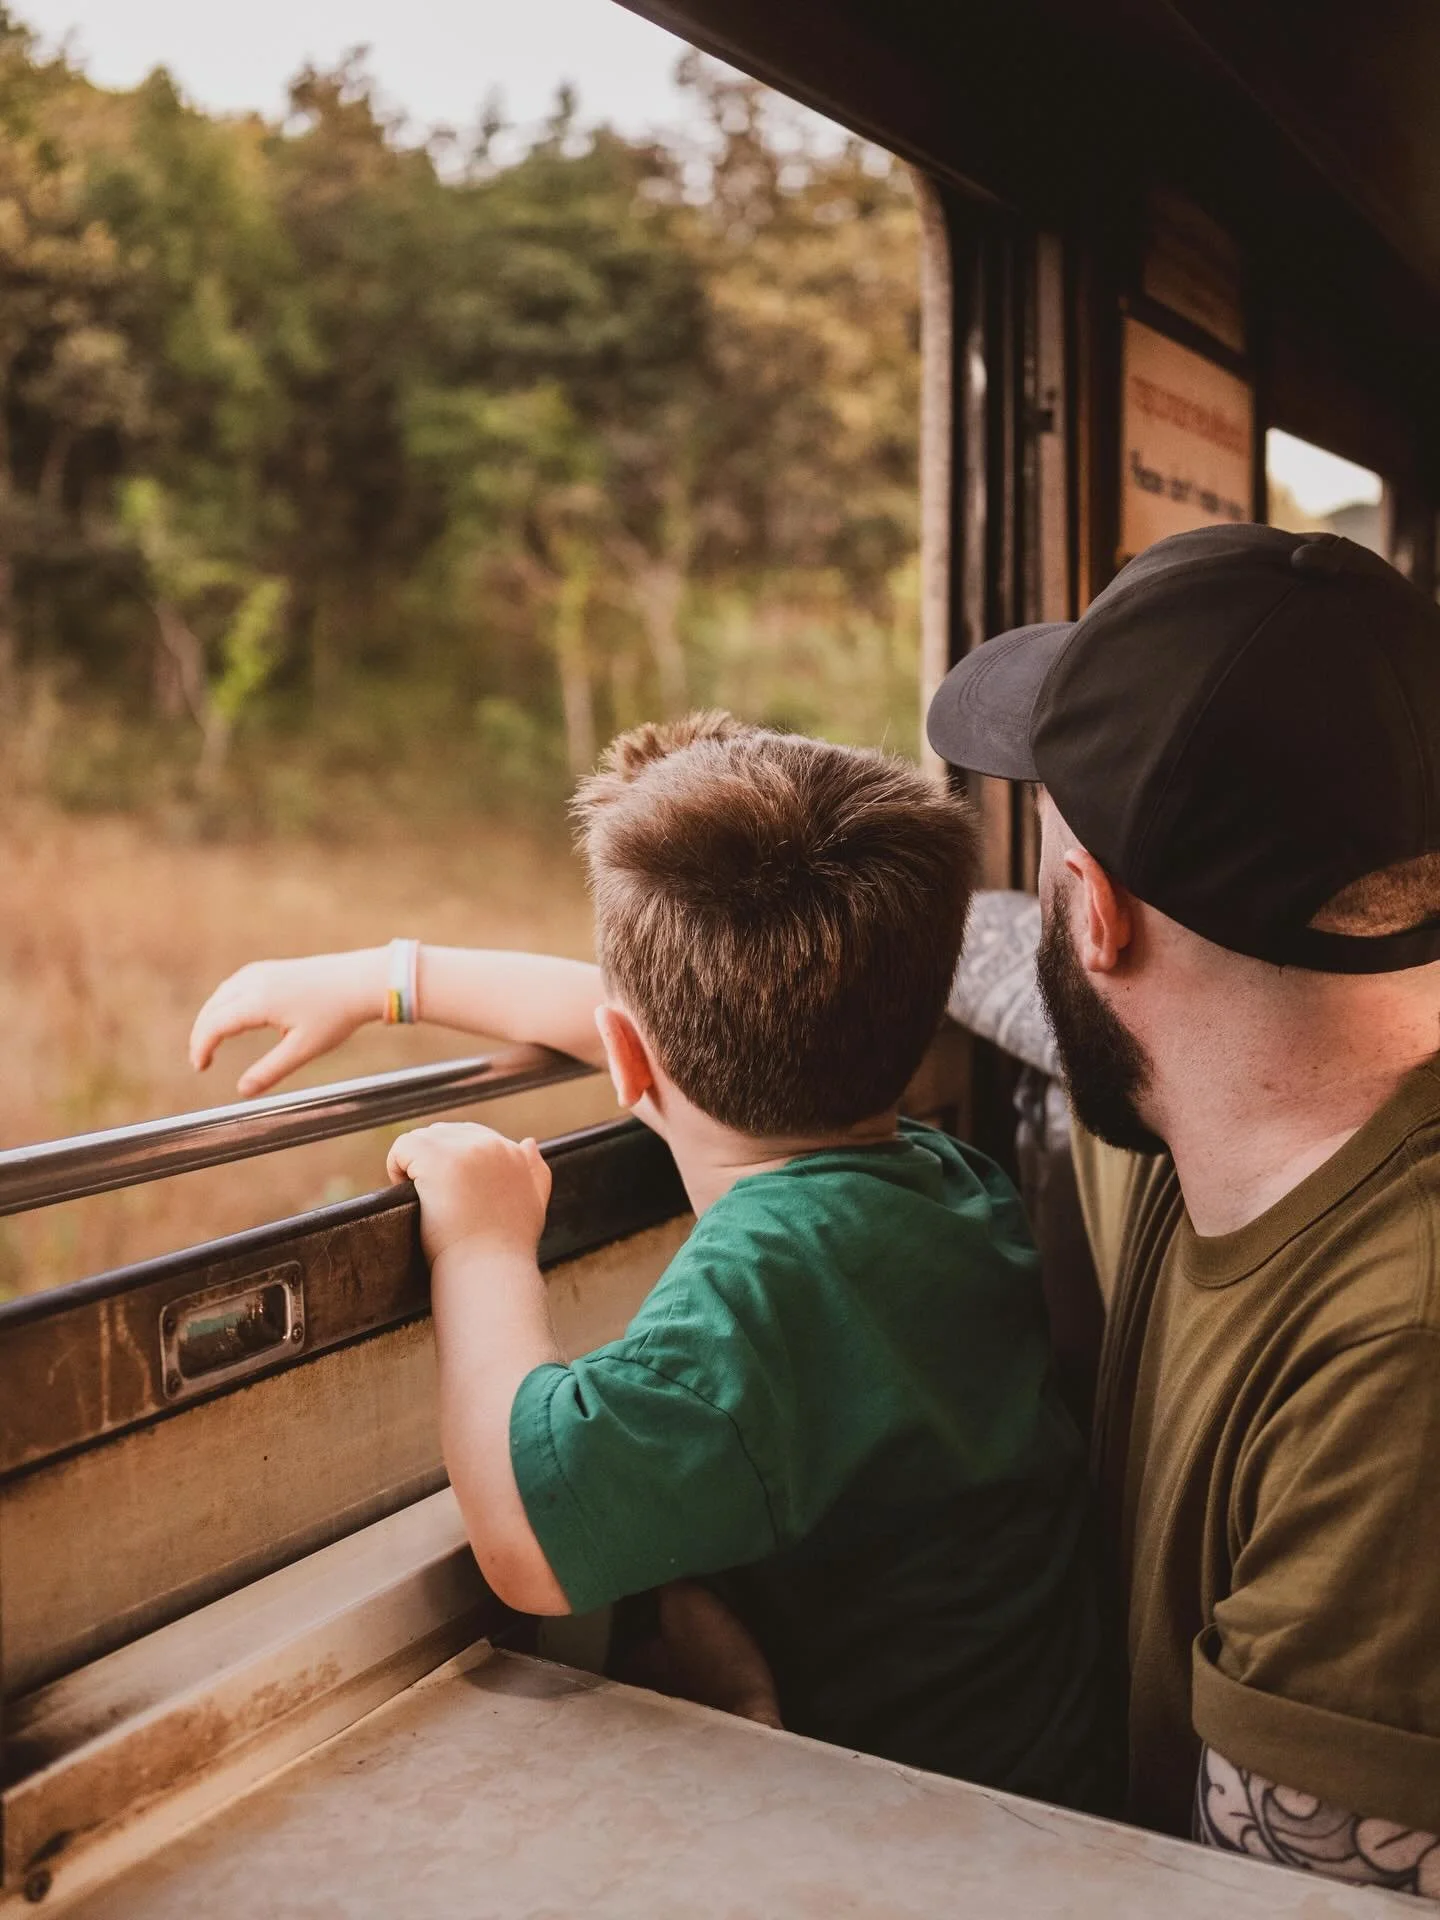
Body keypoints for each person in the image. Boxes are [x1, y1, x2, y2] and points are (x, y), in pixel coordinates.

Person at [191, 712, 1112, 1809]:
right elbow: (640, 1030)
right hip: (1053, 1769)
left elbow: (526, 1540)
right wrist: (394, 977)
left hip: (943, 1829)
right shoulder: (949, 1187)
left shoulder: (770, 1285)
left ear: (625, 1056)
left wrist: (482, 1241)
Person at [928, 522, 1440, 1897]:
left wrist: (764, 1757)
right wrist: (411, 973)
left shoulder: (1403, 1356)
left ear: (1095, 915)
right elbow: (985, 964)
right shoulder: (1199, 1122)